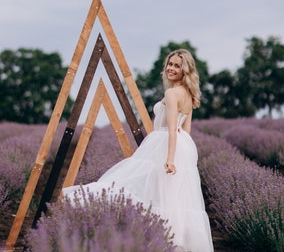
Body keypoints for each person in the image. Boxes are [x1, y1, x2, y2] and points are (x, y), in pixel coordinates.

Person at [63, 49, 214, 252]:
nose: (171, 68)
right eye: (170, 64)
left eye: (177, 66)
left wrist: (170, 159)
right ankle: (175, 244)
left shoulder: (171, 93)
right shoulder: (189, 94)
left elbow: (171, 129)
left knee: (146, 189)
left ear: (185, 70)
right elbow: (185, 129)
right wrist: (182, 155)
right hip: (183, 146)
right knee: (174, 200)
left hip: (165, 144)